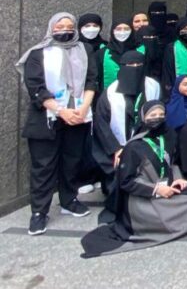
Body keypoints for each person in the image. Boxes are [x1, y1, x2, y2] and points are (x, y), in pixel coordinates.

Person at [80, 101, 187, 258]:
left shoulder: (169, 136)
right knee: (167, 217)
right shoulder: (134, 147)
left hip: (166, 188)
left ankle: (168, 219)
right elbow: (126, 182)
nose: (157, 118)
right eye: (153, 115)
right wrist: (156, 189)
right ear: (143, 117)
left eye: (161, 115)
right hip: (141, 197)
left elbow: (172, 163)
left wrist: (178, 179)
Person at [17, 12, 97, 235]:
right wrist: (62, 111)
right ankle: (39, 212)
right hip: (48, 118)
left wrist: (82, 109)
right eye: (60, 26)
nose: (65, 29)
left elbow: (92, 80)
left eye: (69, 25)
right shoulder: (38, 53)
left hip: (79, 115)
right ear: (51, 28)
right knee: (43, 167)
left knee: (72, 161)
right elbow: (36, 88)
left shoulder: (85, 50)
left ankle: (69, 200)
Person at [91, 51, 162, 223]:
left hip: (146, 143)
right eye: (130, 66)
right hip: (118, 145)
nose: (135, 69)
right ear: (122, 68)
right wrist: (116, 149)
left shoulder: (153, 85)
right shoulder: (110, 92)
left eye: (139, 66)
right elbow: (101, 123)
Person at [95, 18, 142, 92]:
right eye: (118, 29)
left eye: (126, 29)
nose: (122, 32)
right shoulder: (101, 53)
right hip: (108, 96)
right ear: (112, 31)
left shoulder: (140, 51)